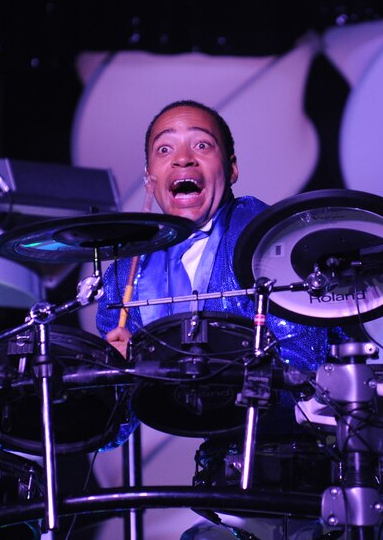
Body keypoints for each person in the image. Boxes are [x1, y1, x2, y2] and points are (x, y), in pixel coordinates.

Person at [95, 100, 337, 539]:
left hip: (308, 478)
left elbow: (303, 366)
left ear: (232, 167)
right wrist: (114, 377)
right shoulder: (125, 279)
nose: (183, 158)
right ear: (150, 177)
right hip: (223, 483)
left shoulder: (271, 240)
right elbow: (117, 428)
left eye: (201, 145)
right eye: (164, 150)